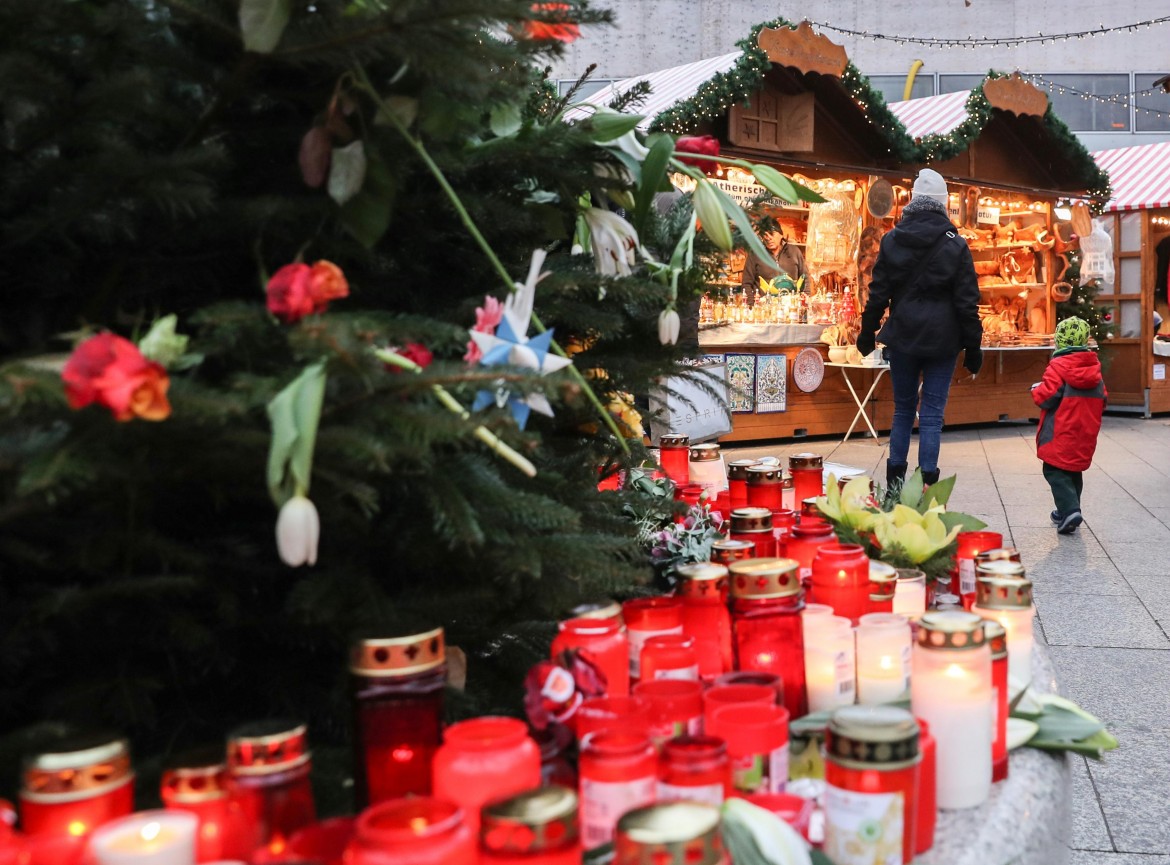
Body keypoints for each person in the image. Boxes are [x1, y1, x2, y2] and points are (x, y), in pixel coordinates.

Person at [856, 168, 982, 492]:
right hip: (944, 340)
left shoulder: (893, 239)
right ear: (943, 204)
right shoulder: (956, 244)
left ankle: (896, 485)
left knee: (902, 410)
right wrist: (974, 347)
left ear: (912, 202)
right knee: (931, 414)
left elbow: (878, 292)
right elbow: (967, 303)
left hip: (904, 337)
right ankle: (927, 487)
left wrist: (867, 331)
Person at [1031, 317, 1107, 535]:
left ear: (1059, 341)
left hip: (1061, 431)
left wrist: (1036, 390)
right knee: (1073, 471)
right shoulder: (1094, 369)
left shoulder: (1058, 367)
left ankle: (1070, 509)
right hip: (1085, 432)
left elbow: (1046, 398)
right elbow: (1103, 398)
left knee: (1054, 470)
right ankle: (1067, 510)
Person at [740, 225, 807, 302]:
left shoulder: (794, 252)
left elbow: (805, 278)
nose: (769, 238)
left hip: (791, 306)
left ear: (781, 234)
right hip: (764, 307)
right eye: (765, 235)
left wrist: (804, 301)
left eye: (772, 234)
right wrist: (751, 305)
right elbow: (746, 283)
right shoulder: (755, 254)